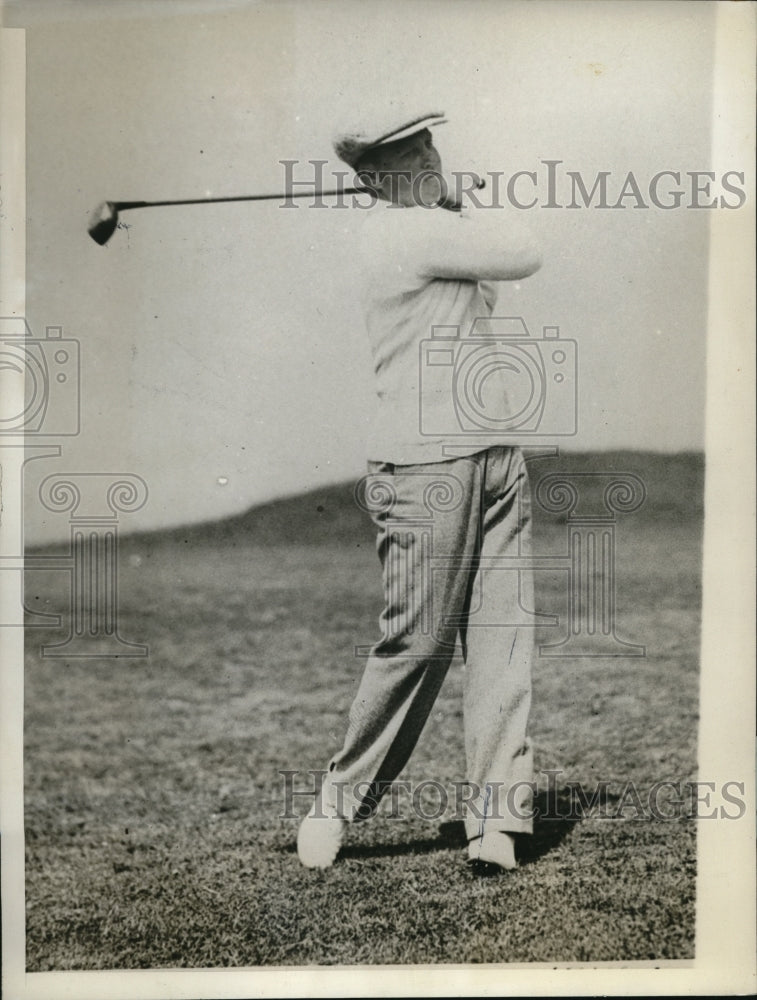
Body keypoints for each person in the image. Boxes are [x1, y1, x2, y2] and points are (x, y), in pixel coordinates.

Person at [297, 110, 542, 872]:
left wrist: (455, 198)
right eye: (410, 154)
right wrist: (464, 198)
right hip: (425, 468)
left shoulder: (429, 229)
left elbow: (488, 290)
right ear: (375, 178)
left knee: (502, 637)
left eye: (431, 144)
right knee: (420, 642)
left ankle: (497, 821)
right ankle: (337, 802)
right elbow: (523, 251)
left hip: (495, 451)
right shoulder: (403, 233)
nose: (431, 158)